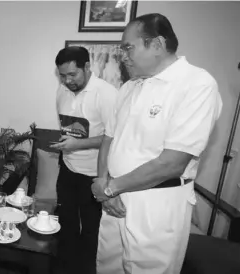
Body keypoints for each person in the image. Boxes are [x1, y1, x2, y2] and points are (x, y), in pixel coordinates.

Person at [91, 13, 223, 274]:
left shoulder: (196, 84)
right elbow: (109, 139)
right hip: (114, 197)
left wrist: (108, 189)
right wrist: (103, 181)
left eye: (128, 47)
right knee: (108, 268)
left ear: (158, 45)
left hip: (156, 204)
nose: (123, 55)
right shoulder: (130, 87)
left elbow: (172, 163)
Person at [50, 46, 118, 274]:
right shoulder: (62, 91)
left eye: (73, 74)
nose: (67, 80)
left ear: (87, 67)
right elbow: (69, 127)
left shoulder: (106, 94)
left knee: (91, 230)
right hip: (68, 167)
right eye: (63, 75)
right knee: (65, 222)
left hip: (94, 174)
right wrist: (67, 142)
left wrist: (77, 144)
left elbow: (114, 137)